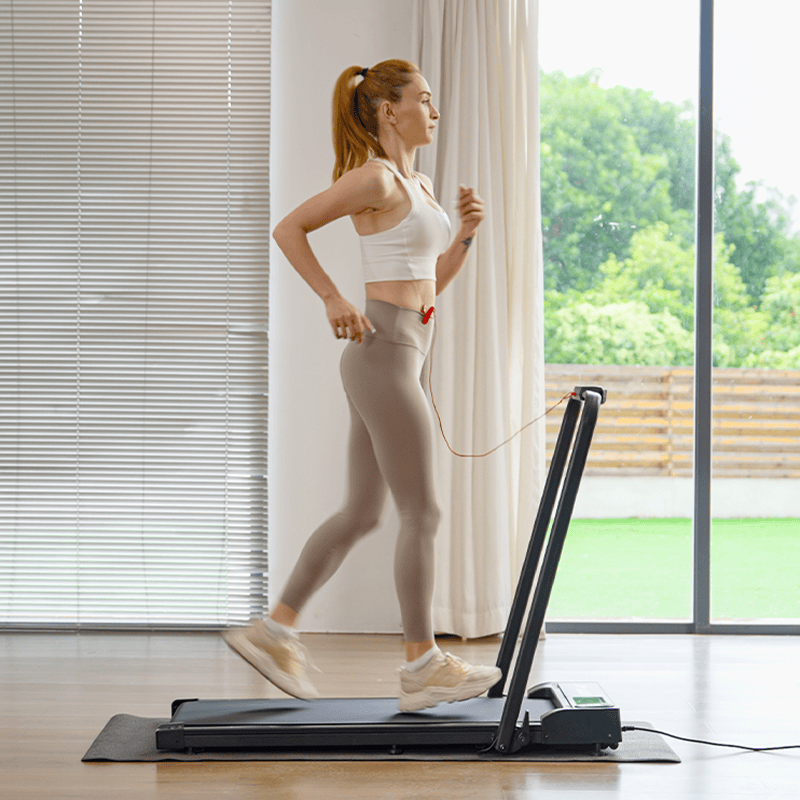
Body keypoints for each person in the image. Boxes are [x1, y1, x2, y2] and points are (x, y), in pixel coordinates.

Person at [223, 59, 500, 713]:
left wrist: (464, 239)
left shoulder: (418, 183)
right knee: (422, 513)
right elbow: (288, 227)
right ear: (387, 110)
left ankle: (273, 629)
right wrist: (330, 298)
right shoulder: (374, 175)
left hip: (401, 350)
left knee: (363, 514)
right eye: (423, 100)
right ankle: (421, 664)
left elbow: (428, 287)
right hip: (381, 357)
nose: (434, 111)